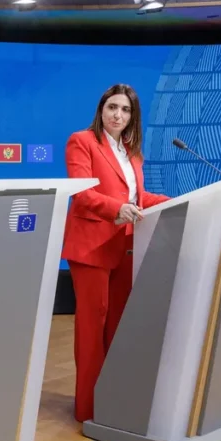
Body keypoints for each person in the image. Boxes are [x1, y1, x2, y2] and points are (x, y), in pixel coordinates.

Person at [62, 83, 170, 423]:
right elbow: (82, 193)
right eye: (112, 107)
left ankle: (113, 400)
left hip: (125, 247)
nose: (117, 115)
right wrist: (116, 209)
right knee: (93, 328)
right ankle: (88, 408)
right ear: (101, 109)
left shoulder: (132, 152)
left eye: (125, 110)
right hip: (91, 247)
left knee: (118, 327)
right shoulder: (82, 141)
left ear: (132, 117)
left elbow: (137, 198)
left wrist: (176, 201)